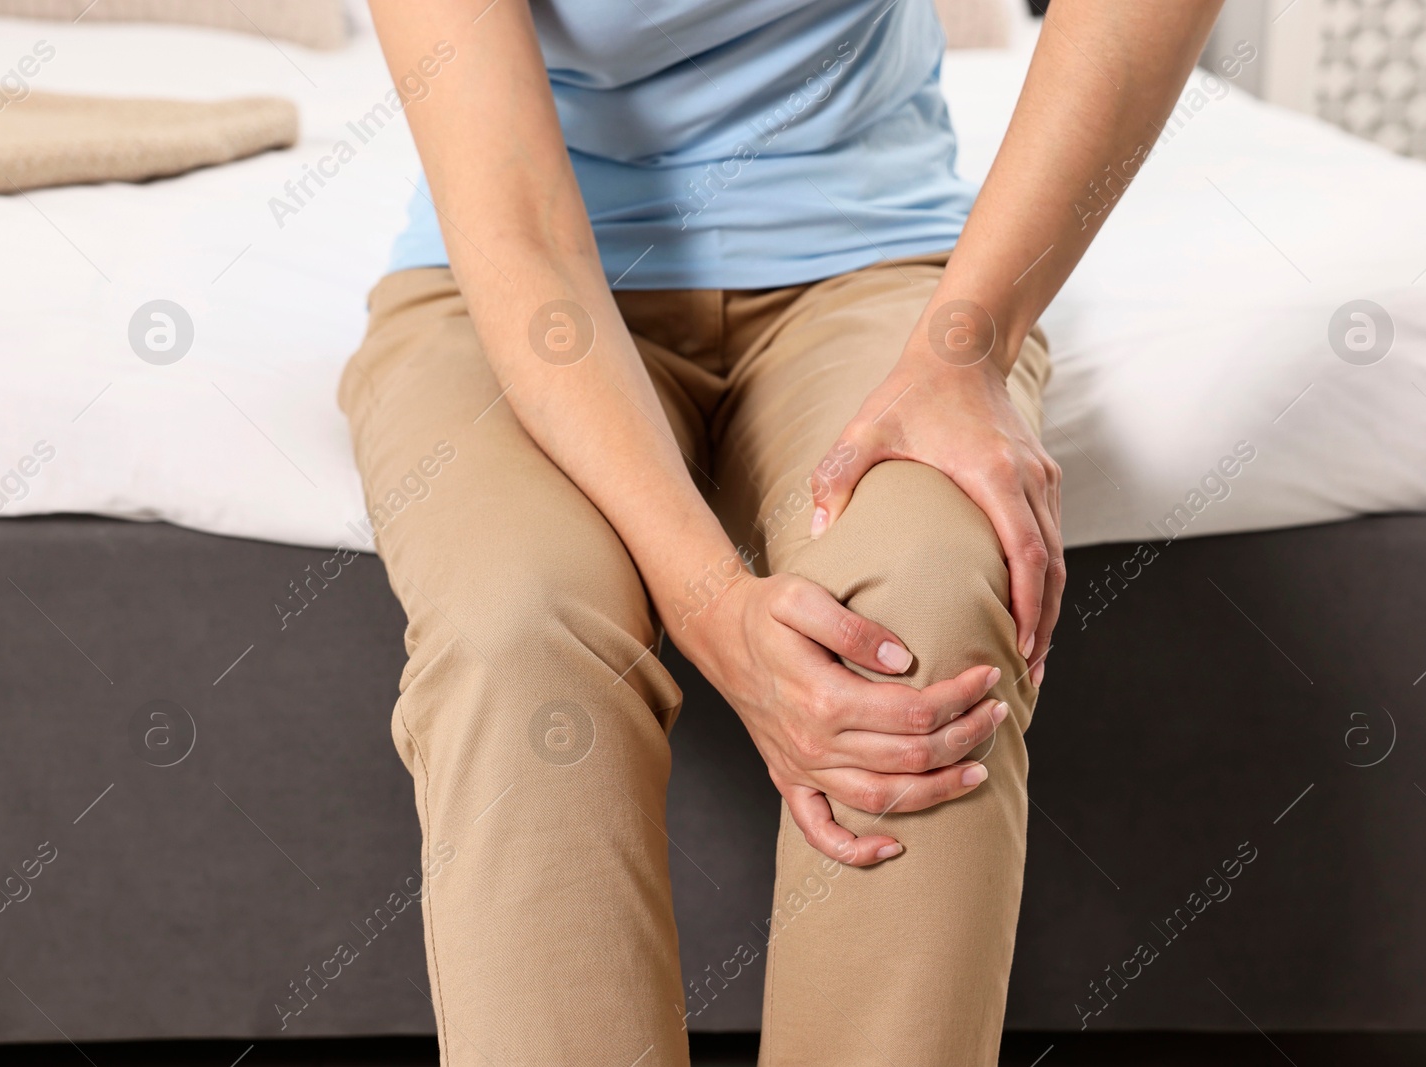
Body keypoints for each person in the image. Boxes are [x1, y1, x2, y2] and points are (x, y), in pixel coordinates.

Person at [340, 1, 1222, 1063]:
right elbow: (517, 218)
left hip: (875, 265)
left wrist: (965, 347)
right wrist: (710, 606)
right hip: (513, 282)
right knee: (519, 630)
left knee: (920, 616)